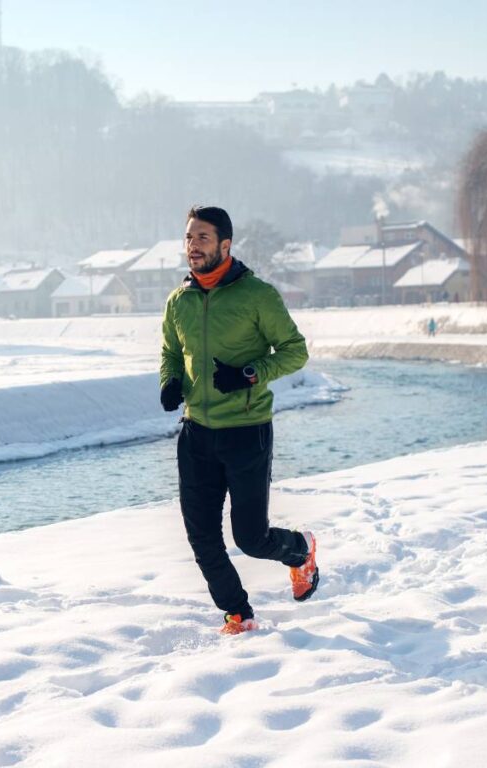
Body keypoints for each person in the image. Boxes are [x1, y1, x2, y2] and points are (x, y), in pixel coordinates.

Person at [160, 206, 317, 636]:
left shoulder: (257, 296)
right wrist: (170, 381)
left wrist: (251, 373)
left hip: (246, 432)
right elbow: (171, 353)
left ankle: (300, 551)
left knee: (251, 538)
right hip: (196, 435)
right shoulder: (179, 300)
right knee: (202, 538)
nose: (193, 246)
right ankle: (238, 614)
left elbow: (294, 351)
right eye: (189, 238)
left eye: (203, 238)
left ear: (225, 245)